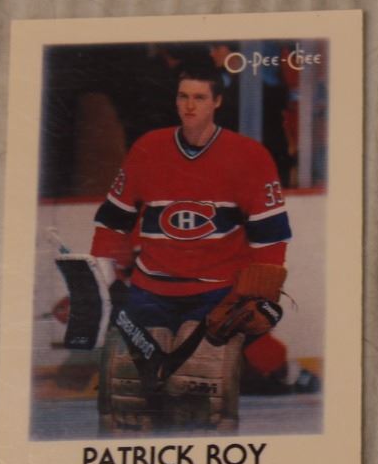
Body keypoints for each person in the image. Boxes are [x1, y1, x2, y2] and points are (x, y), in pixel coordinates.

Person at [88, 60, 293, 427]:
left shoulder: (249, 156)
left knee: (201, 403)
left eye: (199, 97)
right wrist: (108, 284)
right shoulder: (148, 148)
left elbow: (271, 236)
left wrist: (256, 295)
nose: (189, 106)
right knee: (126, 399)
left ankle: (283, 375)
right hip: (150, 292)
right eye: (183, 97)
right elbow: (112, 222)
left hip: (215, 294)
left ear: (217, 102)